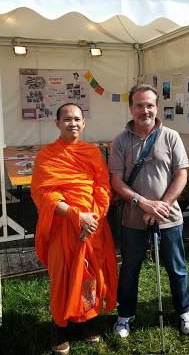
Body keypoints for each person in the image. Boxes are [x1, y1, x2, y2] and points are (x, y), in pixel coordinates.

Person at [109, 84, 189, 338]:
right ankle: (125, 315)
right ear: (131, 108)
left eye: (149, 105)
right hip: (133, 217)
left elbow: (181, 174)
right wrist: (142, 203)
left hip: (169, 218)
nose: (144, 110)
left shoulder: (171, 136)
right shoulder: (120, 141)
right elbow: (116, 181)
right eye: (139, 105)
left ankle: (185, 311)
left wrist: (163, 206)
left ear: (156, 107)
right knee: (129, 268)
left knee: (177, 267)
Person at [31, 103, 118, 355]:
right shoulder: (47, 155)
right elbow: (42, 194)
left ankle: (87, 321)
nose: (73, 123)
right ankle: (60, 329)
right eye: (67, 119)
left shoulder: (92, 152)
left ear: (84, 123)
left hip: (92, 227)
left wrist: (93, 220)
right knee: (63, 278)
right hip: (63, 227)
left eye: (77, 119)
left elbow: (103, 188)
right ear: (57, 123)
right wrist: (74, 215)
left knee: (90, 276)